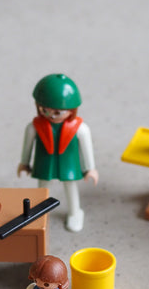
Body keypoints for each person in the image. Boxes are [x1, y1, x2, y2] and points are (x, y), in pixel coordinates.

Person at [18, 73, 98, 233]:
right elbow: (28, 146)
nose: (51, 116)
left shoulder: (80, 129)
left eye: (57, 112)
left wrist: (90, 168)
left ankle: (75, 212)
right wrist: (24, 163)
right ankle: (39, 213)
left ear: (71, 110)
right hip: (44, 163)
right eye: (45, 110)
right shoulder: (34, 127)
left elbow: (86, 148)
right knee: (42, 189)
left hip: (68, 165)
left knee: (70, 187)